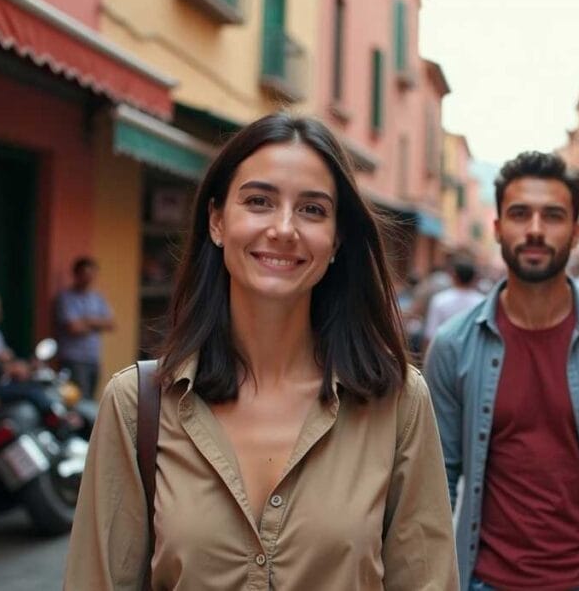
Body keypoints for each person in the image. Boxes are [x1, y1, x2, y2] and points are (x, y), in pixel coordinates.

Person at [64, 114, 457, 590]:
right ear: (216, 221)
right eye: (258, 201)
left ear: (336, 241)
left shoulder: (396, 402)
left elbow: (426, 580)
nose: (284, 228)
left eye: (312, 210)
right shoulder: (137, 405)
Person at [425, 151, 579, 591]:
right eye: (520, 214)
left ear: (575, 232)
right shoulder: (453, 345)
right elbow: (437, 477)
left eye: (552, 216)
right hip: (484, 580)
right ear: (498, 227)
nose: (535, 229)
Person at [55, 257, 115, 398]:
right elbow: (73, 328)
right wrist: (96, 324)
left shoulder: (97, 297)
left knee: (91, 397)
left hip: (93, 358)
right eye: (85, 275)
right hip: (73, 358)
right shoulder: (66, 298)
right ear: (77, 275)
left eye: (92, 275)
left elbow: (111, 324)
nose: (89, 279)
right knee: (79, 399)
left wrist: (87, 321)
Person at [424, 259, 484, 345]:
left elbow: (430, 333)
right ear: (473, 278)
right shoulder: (481, 302)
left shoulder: (440, 300)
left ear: (454, 276)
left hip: (443, 349)